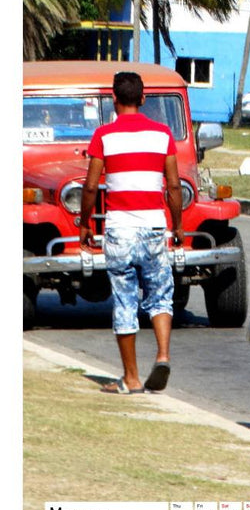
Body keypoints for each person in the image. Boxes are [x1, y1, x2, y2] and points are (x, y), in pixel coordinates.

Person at [80, 72, 184, 394]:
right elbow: (174, 186)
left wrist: (85, 223)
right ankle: (163, 354)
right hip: (154, 226)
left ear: (114, 99)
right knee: (160, 294)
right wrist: (178, 225)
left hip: (119, 229)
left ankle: (131, 378)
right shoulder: (163, 134)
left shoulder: (103, 135)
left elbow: (90, 186)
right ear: (142, 99)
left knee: (125, 300)